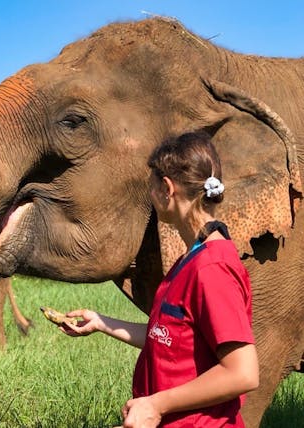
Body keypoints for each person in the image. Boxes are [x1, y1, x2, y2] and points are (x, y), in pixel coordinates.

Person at [58, 132, 259, 427]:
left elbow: (242, 372)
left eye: (150, 185)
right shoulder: (191, 258)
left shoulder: (211, 268)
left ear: (167, 188)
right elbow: (167, 339)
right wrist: (102, 323)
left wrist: (156, 404)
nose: (150, 195)